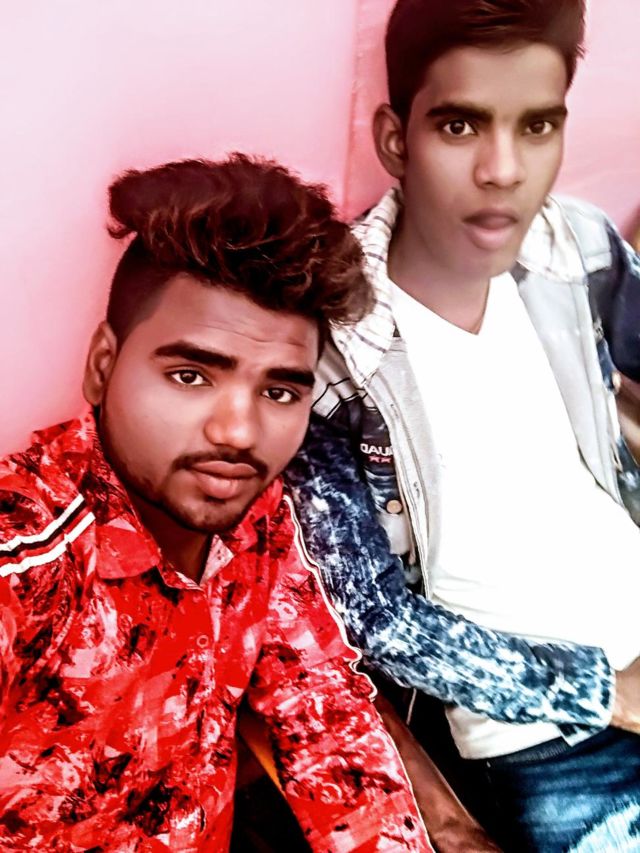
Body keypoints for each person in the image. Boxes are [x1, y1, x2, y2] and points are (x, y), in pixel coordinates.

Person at [0, 155, 432, 852]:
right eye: (190, 375)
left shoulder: (260, 519)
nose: (238, 432)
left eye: (279, 391)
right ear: (104, 366)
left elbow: (324, 713)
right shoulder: (30, 561)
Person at [286, 1, 640, 850]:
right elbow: (373, 619)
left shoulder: (576, 245)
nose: (503, 170)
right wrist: (605, 690)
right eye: (459, 125)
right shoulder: (328, 340)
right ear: (395, 139)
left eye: (538, 126)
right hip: (548, 740)